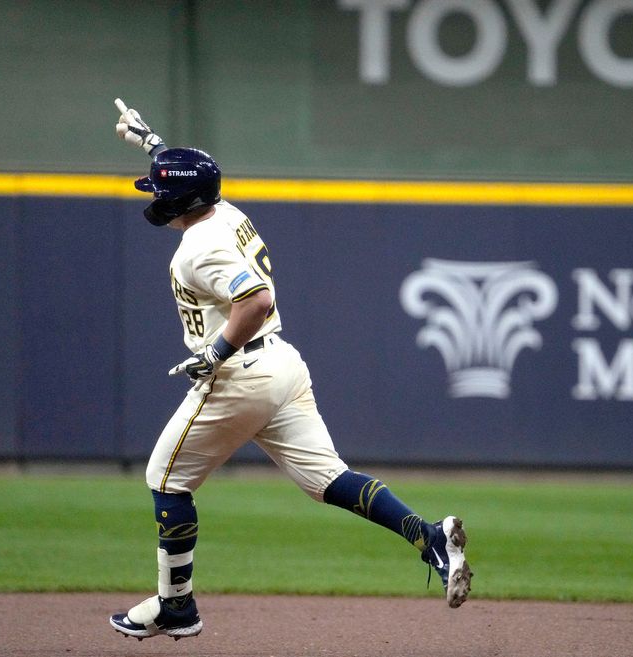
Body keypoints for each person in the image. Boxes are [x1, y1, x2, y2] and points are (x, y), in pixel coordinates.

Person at [108, 99, 473, 641]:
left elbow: (255, 299)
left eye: (159, 188)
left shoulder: (196, 249)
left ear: (178, 200)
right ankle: (428, 536)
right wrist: (151, 142)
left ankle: (176, 605)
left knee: (165, 478)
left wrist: (214, 354)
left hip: (240, 374)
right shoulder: (222, 211)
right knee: (328, 480)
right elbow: (190, 179)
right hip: (281, 364)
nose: (155, 194)